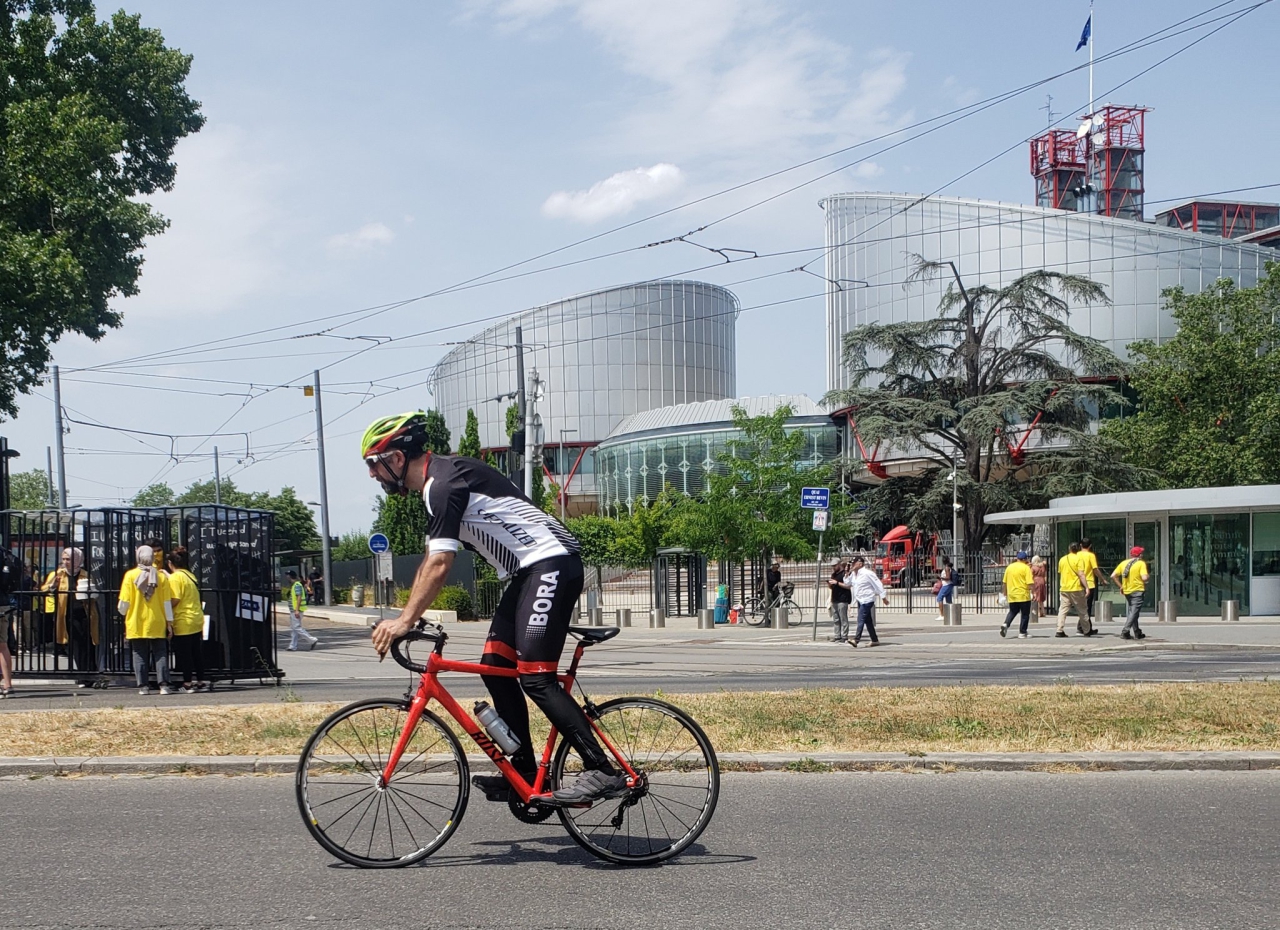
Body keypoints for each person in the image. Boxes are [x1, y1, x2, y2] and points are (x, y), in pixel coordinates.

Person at [363, 411, 626, 804]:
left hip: (551, 563)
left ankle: (601, 770)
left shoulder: (442, 484)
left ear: (397, 458)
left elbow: (440, 565)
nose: (372, 474)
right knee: (495, 668)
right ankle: (524, 772)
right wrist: (408, 615)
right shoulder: (439, 484)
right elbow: (430, 559)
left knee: (536, 678)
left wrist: (403, 621)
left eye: (373, 464)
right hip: (528, 572)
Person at [118, 545, 175, 695]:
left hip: (136, 620)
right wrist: (169, 622)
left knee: (139, 653)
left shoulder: (130, 575)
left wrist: (122, 612)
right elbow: (166, 602)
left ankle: (143, 686)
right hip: (157, 620)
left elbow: (124, 602)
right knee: (160, 653)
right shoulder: (160, 576)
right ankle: (164, 685)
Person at [42, 547, 99, 688]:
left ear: (77, 559)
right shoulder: (58, 574)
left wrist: (91, 591)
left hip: (85, 613)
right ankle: (82, 675)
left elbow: (95, 593)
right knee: (76, 645)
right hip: (67, 614)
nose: (65, 562)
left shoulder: (85, 574)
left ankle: (91, 674)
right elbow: (44, 590)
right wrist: (53, 586)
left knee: (88, 644)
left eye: (69, 559)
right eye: (64, 559)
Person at [167, 548, 209, 692]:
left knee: (184, 654)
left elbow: (175, 599)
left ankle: (187, 683)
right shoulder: (190, 575)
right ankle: (200, 681)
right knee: (196, 652)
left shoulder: (175, 578)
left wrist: (162, 607)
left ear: (170, 563)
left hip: (183, 619)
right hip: (196, 617)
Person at [847, 555, 888, 648]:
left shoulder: (867, 573)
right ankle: (875, 640)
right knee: (868, 621)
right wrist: (847, 573)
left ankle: (856, 640)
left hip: (867, 599)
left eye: (854, 563)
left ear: (860, 564)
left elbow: (878, 584)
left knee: (860, 619)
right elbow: (847, 583)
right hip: (860, 599)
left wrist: (883, 597)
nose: (852, 565)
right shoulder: (854, 574)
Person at [1111, 546, 1150, 641]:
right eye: (1141, 553)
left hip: (1127, 591)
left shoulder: (1124, 563)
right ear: (1139, 555)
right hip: (1138, 590)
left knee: (1133, 611)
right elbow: (1144, 578)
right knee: (1133, 612)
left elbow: (1113, 576)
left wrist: (1121, 586)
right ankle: (1125, 631)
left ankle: (1137, 632)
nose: (1142, 555)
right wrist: (1148, 576)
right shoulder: (1141, 563)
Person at [1056, 542, 1092, 638]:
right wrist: (1087, 587)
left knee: (1063, 610)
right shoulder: (1079, 559)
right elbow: (1081, 574)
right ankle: (1086, 630)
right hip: (1076, 588)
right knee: (1082, 609)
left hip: (1064, 588)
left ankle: (1059, 629)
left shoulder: (1062, 559)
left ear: (1069, 549)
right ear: (1078, 549)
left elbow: (1060, 572)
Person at [999, 550, 1034, 638]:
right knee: (1025, 614)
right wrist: (1033, 592)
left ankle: (1006, 624)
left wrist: (1005, 593)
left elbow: (1004, 582)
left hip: (1012, 594)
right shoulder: (1026, 568)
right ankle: (1022, 632)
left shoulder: (1009, 567)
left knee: (1012, 611)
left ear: (1017, 558)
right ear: (1025, 559)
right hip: (1023, 595)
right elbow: (1029, 583)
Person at [1078, 538, 1110, 633]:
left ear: (1080, 545)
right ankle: (1083, 627)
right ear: (1090, 546)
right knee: (1087, 606)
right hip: (1089, 583)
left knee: (1082, 606)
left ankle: (1085, 626)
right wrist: (1102, 579)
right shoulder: (1091, 555)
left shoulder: (1076, 555)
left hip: (1078, 583)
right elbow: (1095, 569)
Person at [285, 570, 318, 651]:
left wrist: (296, 610)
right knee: (294, 629)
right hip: (295, 610)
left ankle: (312, 640)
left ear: (290, 576)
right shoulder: (295, 585)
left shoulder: (297, 585)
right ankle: (293, 646)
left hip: (297, 610)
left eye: (287, 575)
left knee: (296, 627)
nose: (286, 577)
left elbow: (299, 597)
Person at [827, 559, 852, 643]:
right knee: (836, 619)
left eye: (835, 566)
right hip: (835, 598)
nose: (833, 568)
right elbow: (832, 587)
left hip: (843, 599)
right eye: (832, 566)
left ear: (839, 564)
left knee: (843, 618)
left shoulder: (844, 574)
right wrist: (830, 584)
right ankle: (837, 636)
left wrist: (837, 583)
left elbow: (848, 586)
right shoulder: (834, 574)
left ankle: (844, 636)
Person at [934, 556, 956, 623]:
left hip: (946, 585)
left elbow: (948, 577)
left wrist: (941, 577)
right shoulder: (949, 567)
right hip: (949, 585)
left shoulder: (947, 568)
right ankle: (951, 614)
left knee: (939, 598)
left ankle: (942, 615)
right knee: (948, 600)